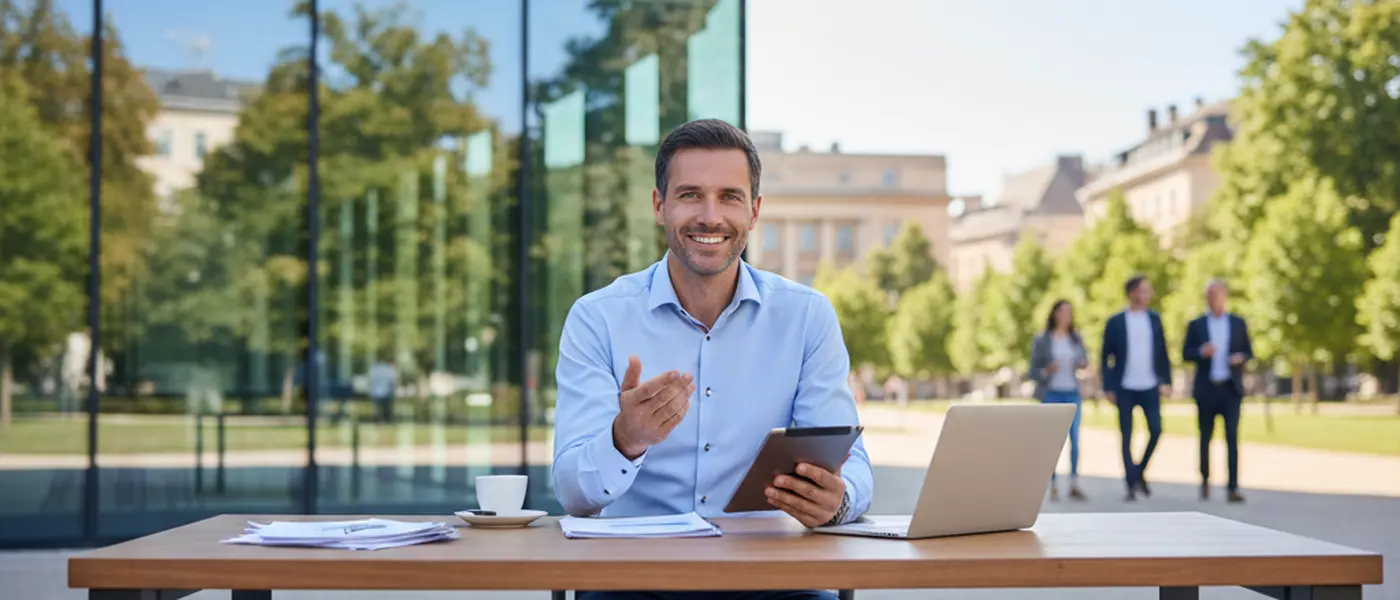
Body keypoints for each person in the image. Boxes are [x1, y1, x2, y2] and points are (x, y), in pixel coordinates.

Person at [552, 119, 873, 600]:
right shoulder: (597, 318)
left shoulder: (807, 316)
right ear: (660, 207)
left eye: (729, 196)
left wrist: (838, 500)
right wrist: (627, 439)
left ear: (754, 210)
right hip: (634, 582)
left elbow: (854, 466)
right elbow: (572, 492)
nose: (710, 216)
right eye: (689, 195)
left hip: (775, 582)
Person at [1100, 274, 1172, 502]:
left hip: (1150, 384)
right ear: (1132, 293)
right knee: (1126, 435)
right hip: (1125, 386)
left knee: (1156, 429)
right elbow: (1106, 357)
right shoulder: (1116, 322)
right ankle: (1130, 484)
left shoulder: (1154, 319)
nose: (1147, 295)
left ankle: (1138, 472)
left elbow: (1163, 352)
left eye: (1148, 291)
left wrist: (1166, 380)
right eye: (1143, 290)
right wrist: (1108, 386)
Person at [1182, 279, 1253, 503]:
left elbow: (1249, 351)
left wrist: (1240, 358)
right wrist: (1202, 352)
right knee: (1205, 438)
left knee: (1232, 437)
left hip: (1230, 389)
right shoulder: (1197, 324)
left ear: (1225, 296)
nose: (1214, 299)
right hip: (1207, 389)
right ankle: (1204, 480)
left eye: (1218, 295)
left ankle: (1232, 487)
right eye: (1210, 295)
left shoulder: (1238, 323)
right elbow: (1186, 353)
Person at [1029, 300, 1088, 501]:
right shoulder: (1043, 339)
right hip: (1051, 393)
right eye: (1063, 311)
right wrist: (1047, 370)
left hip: (1072, 392)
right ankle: (1052, 484)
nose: (1067, 315)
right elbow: (1033, 371)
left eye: (1070, 312)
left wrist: (1082, 364)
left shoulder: (1075, 338)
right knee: (1052, 441)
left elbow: (1084, 360)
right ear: (1054, 313)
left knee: (1075, 439)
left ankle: (1074, 483)